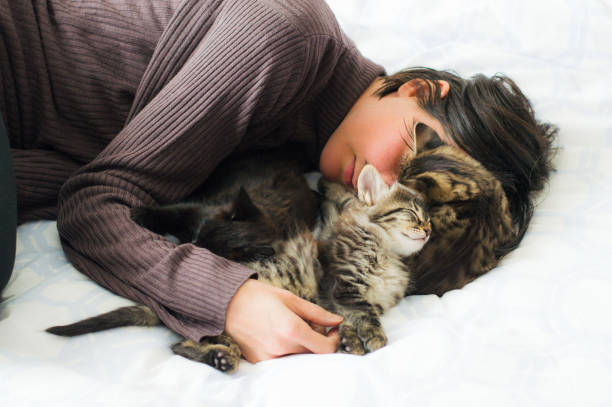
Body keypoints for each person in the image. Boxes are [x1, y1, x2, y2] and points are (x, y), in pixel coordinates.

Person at [0, 0, 555, 364]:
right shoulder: (285, 37)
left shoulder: (292, 154)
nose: (380, 187)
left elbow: (90, 176)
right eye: (407, 156)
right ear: (418, 90)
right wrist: (227, 296)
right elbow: (94, 203)